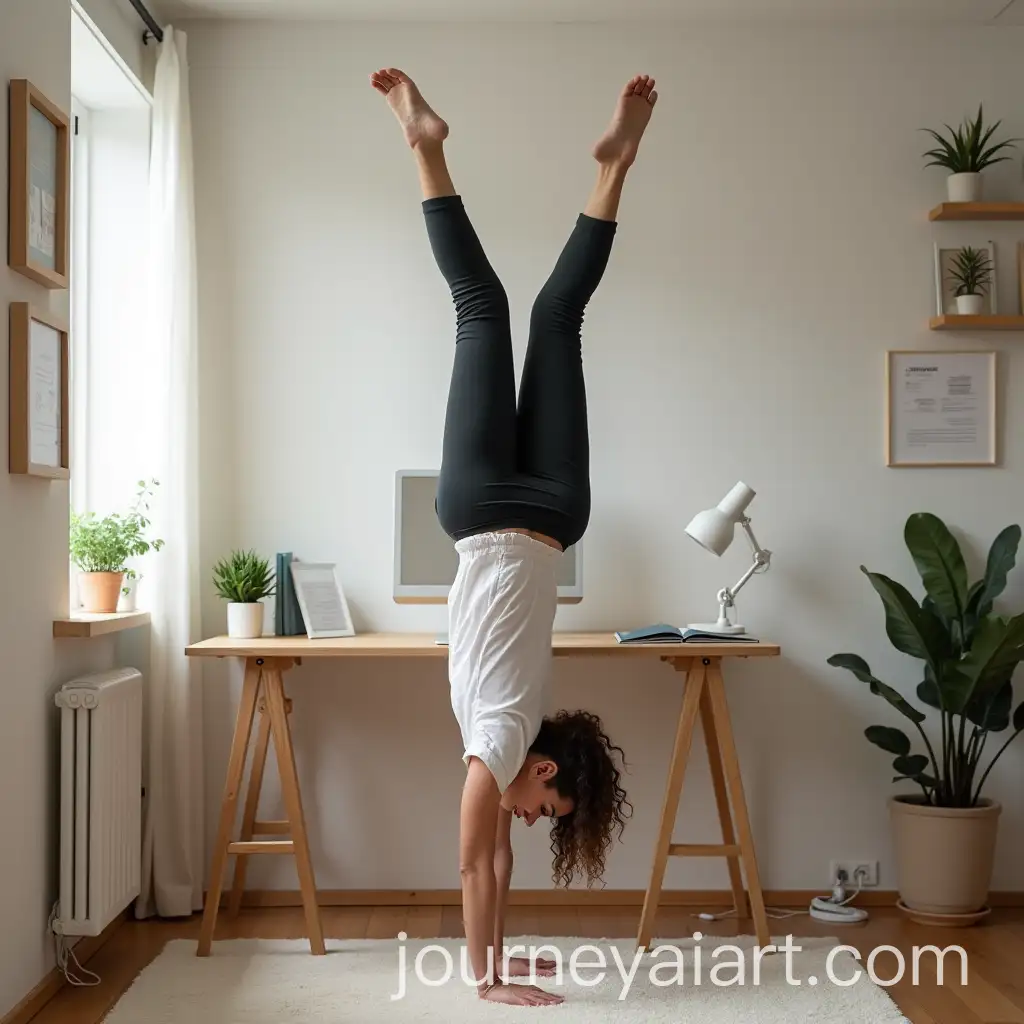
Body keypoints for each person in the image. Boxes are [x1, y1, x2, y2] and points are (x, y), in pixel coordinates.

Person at [370, 67, 658, 1007]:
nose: (530, 821)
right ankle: (604, 161)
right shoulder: (503, 736)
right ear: (539, 767)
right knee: (526, 314)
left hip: (535, 515)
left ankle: (434, 145)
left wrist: (496, 968)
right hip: (509, 507)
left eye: (543, 815)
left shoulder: (507, 741)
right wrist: (489, 976)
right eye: (549, 808)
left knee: (509, 312)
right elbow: (483, 869)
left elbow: (482, 865)